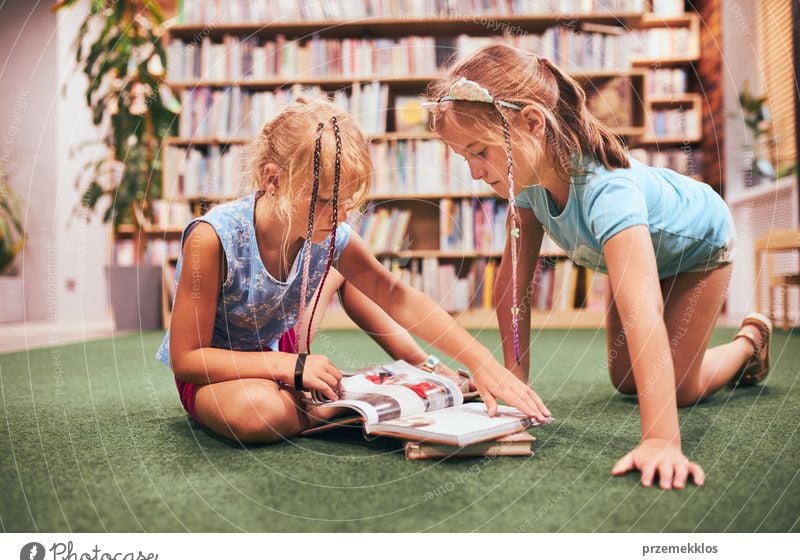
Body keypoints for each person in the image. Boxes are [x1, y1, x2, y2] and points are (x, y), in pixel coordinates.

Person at [425, 43, 772, 489]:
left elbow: (641, 313)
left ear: (532, 122)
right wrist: (515, 377)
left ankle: (749, 341)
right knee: (626, 379)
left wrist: (661, 440)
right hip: (643, 256)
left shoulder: (608, 193)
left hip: (698, 246)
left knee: (680, 390)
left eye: (480, 152)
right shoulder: (525, 184)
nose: (474, 172)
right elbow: (513, 285)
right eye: (464, 158)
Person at [156, 96, 550, 444]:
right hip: (218, 372)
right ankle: (343, 409)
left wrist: (483, 363)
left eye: (348, 202)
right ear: (272, 179)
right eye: (327, 200)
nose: (342, 216)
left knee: (353, 278)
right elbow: (187, 358)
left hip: (286, 357)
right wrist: (288, 366)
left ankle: (396, 379)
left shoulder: (332, 233)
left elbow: (394, 294)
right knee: (258, 414)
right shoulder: (212, 238)